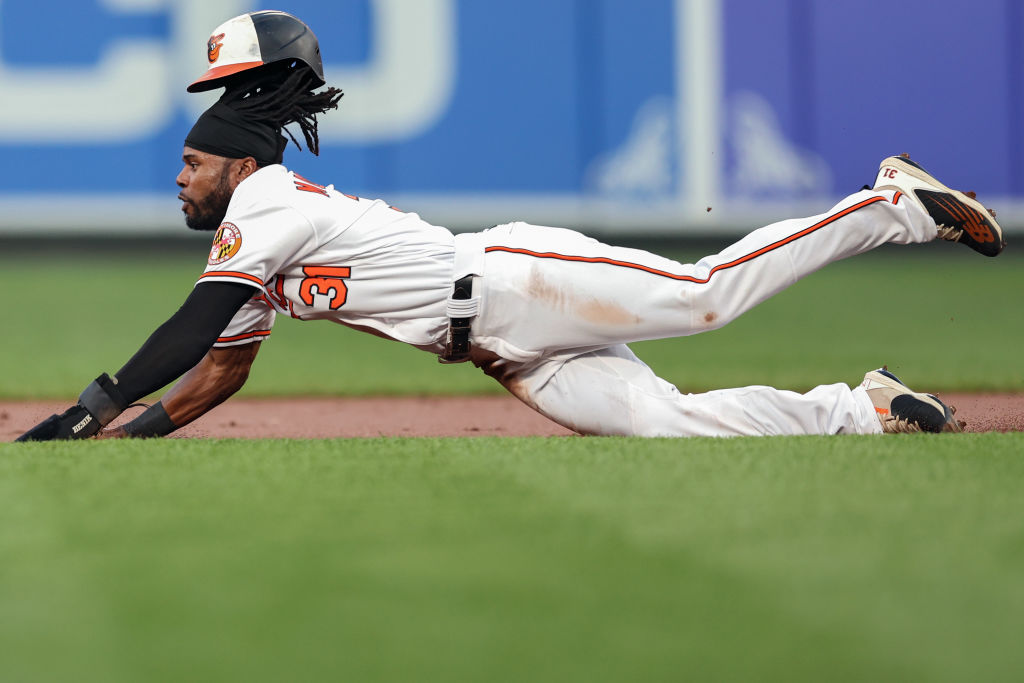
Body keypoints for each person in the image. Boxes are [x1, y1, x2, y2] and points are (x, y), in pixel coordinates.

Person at [16, 11, 1005, 442]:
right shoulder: (257, 241)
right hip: (503, 351)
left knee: (705, 298)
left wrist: (92, 402)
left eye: (191, 162)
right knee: (665, 424)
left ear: (236, 163)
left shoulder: (264, 206)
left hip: (513, 281)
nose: (179, 179)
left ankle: (888, 202)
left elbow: (190, 331)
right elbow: (219, 370)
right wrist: (129, 436)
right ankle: (861, 408)